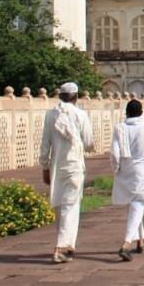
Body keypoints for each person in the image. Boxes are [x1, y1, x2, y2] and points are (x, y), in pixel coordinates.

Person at [39, 81, 94, 264]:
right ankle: (60, 247)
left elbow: (45, 143)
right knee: (70, 206)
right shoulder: (80, 115)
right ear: (76, 97)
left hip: (56, 165)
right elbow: (88, 143)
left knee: (61, 206)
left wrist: (45, 167)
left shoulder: (50, 115)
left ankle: (68, 245)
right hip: (74, 165)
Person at [111, 99, 144, 262]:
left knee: (135, 205)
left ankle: (140, 240)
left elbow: (114, 154)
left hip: (126, 170)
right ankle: (126, 243)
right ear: (141, 112)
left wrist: (117, 169)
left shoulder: (119, 128)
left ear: (126, 112)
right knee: (137, 205)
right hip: (143, 169)